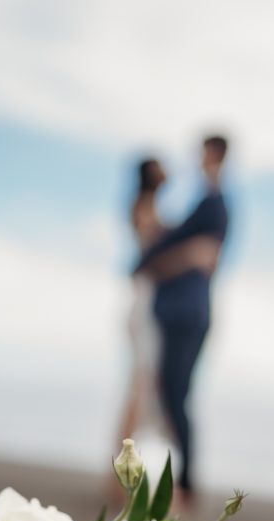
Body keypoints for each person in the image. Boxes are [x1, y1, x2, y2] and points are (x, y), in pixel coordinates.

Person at [135, 135, 229, 499]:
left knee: (172, 394)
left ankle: (182, 481)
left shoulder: (212, 205)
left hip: (184, 312)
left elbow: (203, 255)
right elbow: (148, 261)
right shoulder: (158, 211)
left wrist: (182, 256)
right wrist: (188, 256)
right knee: (163, 393)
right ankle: (174, 480)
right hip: (174, 311)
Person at [117, 157, 167, 444]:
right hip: (146, 303)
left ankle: (121, 470)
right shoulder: (145, 208)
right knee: (140, 385)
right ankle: (122, 468)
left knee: (141, 385)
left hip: (146, 300)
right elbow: (152, 257)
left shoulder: (147, 207)